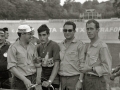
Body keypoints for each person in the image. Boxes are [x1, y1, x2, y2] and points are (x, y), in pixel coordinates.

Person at [79, 19, 112, 90]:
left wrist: (91, 69)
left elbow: (107, 68)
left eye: (91, 29)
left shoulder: (102, 46)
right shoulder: (89, 45)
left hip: (98, 81)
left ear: (97, 30)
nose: (89, 31)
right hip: (87, 80)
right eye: (87, 29)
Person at [7, 25, 38, 90]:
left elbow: (36, 63)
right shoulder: (13, 47)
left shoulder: (32, 46)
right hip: (19, 81)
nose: (32, 36)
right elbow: (11, 67)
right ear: (22, 34)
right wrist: (24, 80)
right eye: (29, 34)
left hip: (33, 78)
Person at [59, 21, 85, 90]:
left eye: (70, 30)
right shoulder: (60, 45)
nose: (67, 32)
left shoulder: (80, 45)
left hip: (74, 79)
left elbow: (83, 64)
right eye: (65, 30)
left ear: (74, 31)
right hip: (62, 79)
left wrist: (80, 81)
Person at [36, 24, 60, 90]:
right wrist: (37, 61)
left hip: (54, 79)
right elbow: (39, 64)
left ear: (48, 35)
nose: (42, 38)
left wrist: (50, 81)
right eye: (40, 35)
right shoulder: (38, 47)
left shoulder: (54, 45)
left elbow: (57, 65)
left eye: (44, 35)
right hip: (43, 79)